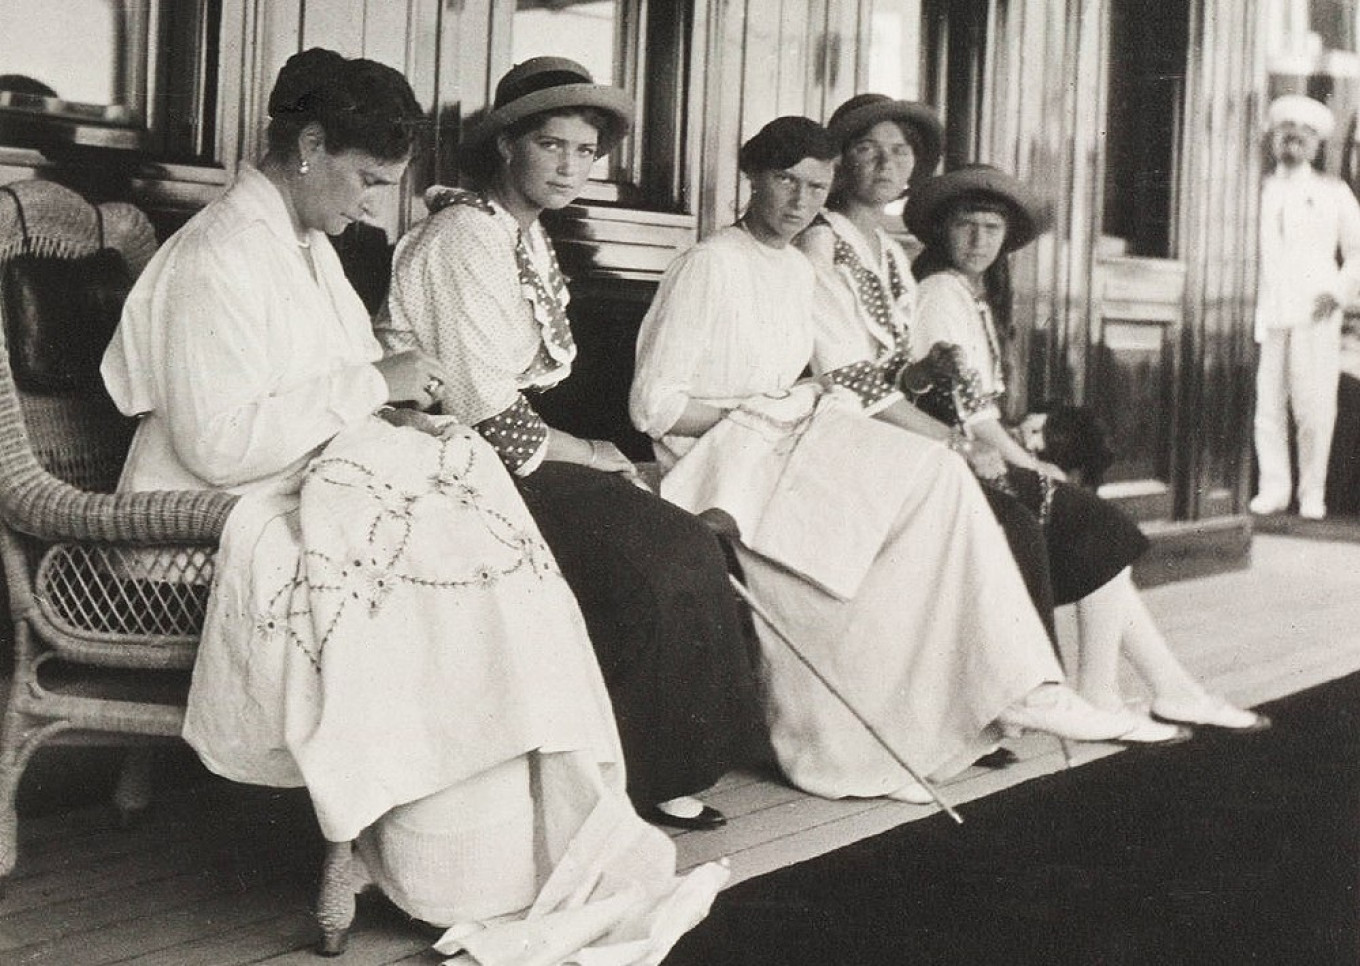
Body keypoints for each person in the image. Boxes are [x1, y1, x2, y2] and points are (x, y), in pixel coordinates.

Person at [100, 48, 723, 961]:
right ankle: (445, 866)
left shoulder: (306, 246)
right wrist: (373, 387)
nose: (368, 206)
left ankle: (519, 852)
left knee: (493, 549)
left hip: (297, 482)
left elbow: (344, 386)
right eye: (365, 179)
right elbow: (218, 444)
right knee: (445, 576)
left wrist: (400, 409)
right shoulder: (218, 254)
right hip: (202, 514)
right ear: (309, 145)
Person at [629, 115, 1165, 807]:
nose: (798, 201)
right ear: (753, 178)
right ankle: (1008, 692)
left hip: (779, 444)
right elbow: (655, 408)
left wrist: (797, 407)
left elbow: (821, 384)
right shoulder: (710, 263)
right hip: (716, 467)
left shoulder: (796, 266)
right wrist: (762, 409)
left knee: (940, 477)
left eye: (814, 187)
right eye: (784, 181)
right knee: (927, 483)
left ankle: (988, 704)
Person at [378, 56, 752, 831]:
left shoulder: (525, 236)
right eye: (551, 145)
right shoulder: (464, 237)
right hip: (451, 460)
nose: (570, 166)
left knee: (690, 533)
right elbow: (490, 412)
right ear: (506, 146)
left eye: (584, 152)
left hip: (507, 452)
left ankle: (651, 758)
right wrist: (596, 455)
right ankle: (644, 775)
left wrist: (598, 457)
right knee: (663, 552)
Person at [906, 162, 1270, 735]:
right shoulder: (937, 295)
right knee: (1096, 526)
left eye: (991, 229)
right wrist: (1035, 464)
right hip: (948, 461)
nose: (977, 241)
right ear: (941, 232)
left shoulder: (970, 296)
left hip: (982, 454)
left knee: (1095, 526)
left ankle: (1155, 689)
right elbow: (967, 414)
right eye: (964, 226)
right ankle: (1114, 691)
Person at [796, 93, 1060, 656]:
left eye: (899, 151)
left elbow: (894, 374)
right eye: (867, 149)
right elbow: (848, 379)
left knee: (1011, 513)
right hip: (841, 433)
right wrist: (956, 443)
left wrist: (923, 375)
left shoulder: (890, 252)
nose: (886, 163)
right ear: (841, 162)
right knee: (1004, 520)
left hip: (891, 428)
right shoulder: (824, 241)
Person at [1250, 94, 1360, 521]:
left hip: (1315, 312)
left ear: (1316, 145)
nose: (1293, 141)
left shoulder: (1333, 193)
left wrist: (1338, 289)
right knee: (1268, 406)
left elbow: (1357, 251)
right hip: (1268, 310)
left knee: (1314, 408)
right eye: (1285, 132)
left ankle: (1312, 493)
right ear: (1274, 139)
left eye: (1304, 135)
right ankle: (1273, 489)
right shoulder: (1259, 190)